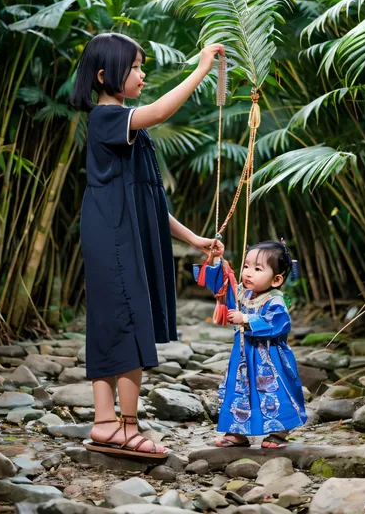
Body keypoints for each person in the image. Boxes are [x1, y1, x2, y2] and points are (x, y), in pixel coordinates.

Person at [71, 33, 224, 459]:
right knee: (127, 323)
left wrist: (194, 238)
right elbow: (157, 112)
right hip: (112, 234)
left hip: (117, 231)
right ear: (105, 76)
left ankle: (105, 425)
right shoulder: (106, 117)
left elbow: (148, 199)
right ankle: (123, 425)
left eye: (141, 65)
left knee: (112, 321)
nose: (142, 73)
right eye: (135, 67)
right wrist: (201, 69)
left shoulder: (124, 126)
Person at [215, 240, 307, 448]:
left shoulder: (275, 301)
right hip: (244, 355)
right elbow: (222, 288)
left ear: (276, 279)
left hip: (269, 357)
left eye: (257, 269)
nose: (248, 273)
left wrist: (246, 320)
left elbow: (277, 324)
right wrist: (215, 261)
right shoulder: (243, 293)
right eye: (246, 266)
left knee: (272, 391)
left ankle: (278, 431)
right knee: (240, 389)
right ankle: (238, 432)